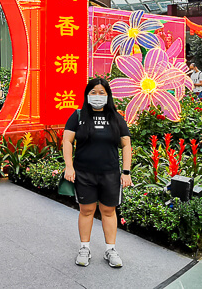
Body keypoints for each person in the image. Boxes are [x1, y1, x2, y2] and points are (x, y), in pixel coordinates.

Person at [63, 78, 132, 268]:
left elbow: (126, 144)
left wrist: (126, 171)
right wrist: (69, 167)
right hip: (84, 173)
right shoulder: (78, 116)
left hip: (110, 174)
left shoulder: (116, 118)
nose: (97, 96)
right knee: (86, 210)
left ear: (108, 95)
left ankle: (111, 250)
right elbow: (67, 141)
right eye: (93, 92)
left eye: (102, 93)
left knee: (108, 211)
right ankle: (84, 248)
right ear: (87, 94)